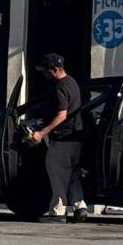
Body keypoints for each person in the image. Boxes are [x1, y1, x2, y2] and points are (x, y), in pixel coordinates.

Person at [28, 53, 87, 222]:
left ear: (54, 70)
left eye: (45, 71)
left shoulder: (60, 87)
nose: (44, 74)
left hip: (62, 138)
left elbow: (62, 115)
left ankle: (57, 211)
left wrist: (41, 133)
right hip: (76, 137)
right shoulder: (73, 83)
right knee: (73, 174)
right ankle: (80, 206)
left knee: (58, 175)